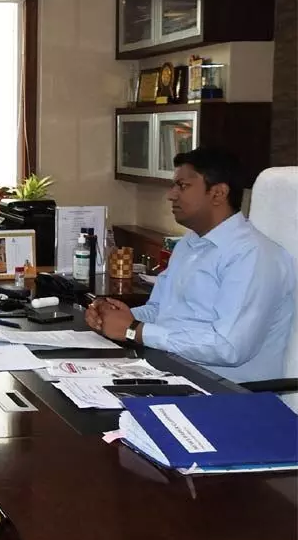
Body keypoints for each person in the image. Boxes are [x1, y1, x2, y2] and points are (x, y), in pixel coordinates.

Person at [86, 147, 295, 383]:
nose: (171, 195)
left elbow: (229, 348)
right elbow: (160, 311)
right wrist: (115, 318)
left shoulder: (254, 256)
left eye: (182, 186)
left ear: (218, 193)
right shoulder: (190, 243)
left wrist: (134, 330)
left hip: (227, 393)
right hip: (172, 372)